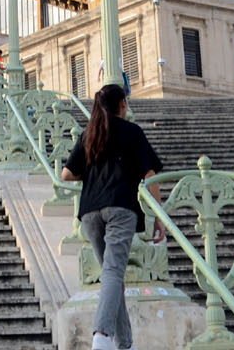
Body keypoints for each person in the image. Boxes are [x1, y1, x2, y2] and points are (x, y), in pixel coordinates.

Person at [61, 83, 165, 350]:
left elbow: (66, 174)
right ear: (122, 104)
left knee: (112, 276)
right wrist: (159, 217)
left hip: (90, 212)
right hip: (121, 207)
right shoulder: (132, 131)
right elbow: (151, 175)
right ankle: (102, 335)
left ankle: (125, 344)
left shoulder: (90, 133)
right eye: (126, 102)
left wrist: (95, 172)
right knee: (113, 272)